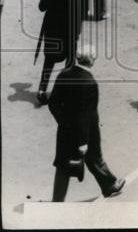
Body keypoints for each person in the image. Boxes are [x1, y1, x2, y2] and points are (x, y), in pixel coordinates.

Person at [48, 44, 125, 201]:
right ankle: (109, 185)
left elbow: (53, 103)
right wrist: (83, 141)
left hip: (65, 130)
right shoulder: (90, 83)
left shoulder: (64, 75)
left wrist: (64, 122)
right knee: (94, 157)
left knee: (63, 164)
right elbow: (86, 114)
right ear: (91, 60)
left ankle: (57, 201)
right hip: (87, 131)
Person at [35, 0, 81, 105]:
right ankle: (68, 94)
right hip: (68, 32)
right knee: (69, 64)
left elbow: (41, 7)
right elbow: (78, 14)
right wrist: (77, 33)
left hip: (52, 31)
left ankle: (42, 90)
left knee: (48, 62)